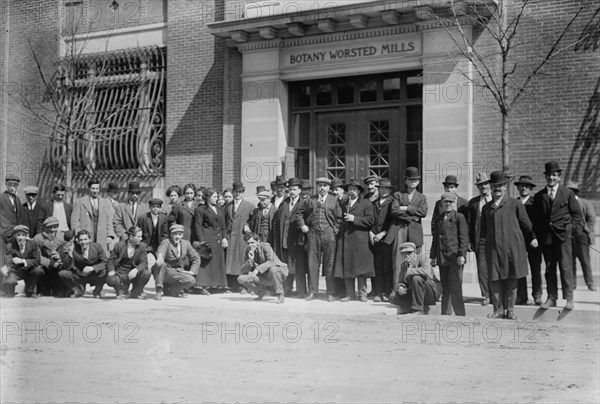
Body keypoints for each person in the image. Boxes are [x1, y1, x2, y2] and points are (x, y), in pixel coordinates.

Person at [479, 171, 537, 320]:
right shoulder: (486, 208)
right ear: (491, 188)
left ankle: (510, 310)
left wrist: (529, 239)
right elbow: (483, 233)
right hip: (493, 250)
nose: (497, 188)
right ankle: (498, 310)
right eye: (494, 186)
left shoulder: (515, 204)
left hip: (512, 249)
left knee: (512, 278)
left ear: (505, 186)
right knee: (495, 279)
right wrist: (484, 249)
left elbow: (527, 225)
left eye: (500, 185)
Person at [532, 161, 583, 310]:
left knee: (566, 267)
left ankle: (569, 299)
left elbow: (578, 215)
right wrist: (536, 236)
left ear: (559, 177)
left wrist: (571, 231)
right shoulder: (539, 196)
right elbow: (535, 220)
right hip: (547, 239)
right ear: (545, 177)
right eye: (548, 175)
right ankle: (551, 298)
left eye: (554, 175)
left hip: (563, 238)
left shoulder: (567, 193)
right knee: (549, 268)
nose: (551, 178)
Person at [297, 177, 342, 302]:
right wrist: (303, 225)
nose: (322, 188)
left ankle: (331, 292)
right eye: (320, 185)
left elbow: (339, 218)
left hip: (329, 234)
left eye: (325, 185)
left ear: (329, 188)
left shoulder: (334, 200)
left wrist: (335, 230)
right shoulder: (311, 199)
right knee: (313, 263)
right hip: (313, 234)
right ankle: (313, 291)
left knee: (330, 264)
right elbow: (299, 213)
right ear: (317, 187)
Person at [335, 179, 375, 302]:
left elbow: (370, 221)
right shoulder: (343, 203)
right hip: (345, 239)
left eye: (354, 189)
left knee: (360, 267)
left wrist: (355, 219)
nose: (351, 191)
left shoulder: (366, 203)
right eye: (350, 189)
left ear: (359, 191)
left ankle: (362, 294)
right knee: (347, 266)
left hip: (359, 239)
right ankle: (350, 294)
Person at [430, 192, 469, 316]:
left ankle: (460, 314)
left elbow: (464, 238)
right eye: (445, 202)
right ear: (441, 203)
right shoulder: (438, 219)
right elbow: (435, 239)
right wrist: (433, 256)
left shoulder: (459, 217)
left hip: (455, 257)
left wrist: (462, 255)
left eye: (450, 202)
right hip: (442, 257)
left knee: (455, 286)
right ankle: (445, 313)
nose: (448, 204)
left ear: (454, 203)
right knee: (445, 286)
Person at [275, 178, 308, 298]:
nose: (292, 192)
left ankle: (301, 291)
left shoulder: (304, 202)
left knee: (299, 266)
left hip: (298, 240)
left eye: (294, 189)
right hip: (285, 239)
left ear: (299, 190)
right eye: (290, 189)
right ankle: (287, 289)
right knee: (285, 265)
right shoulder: (284, 203)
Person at [192, 188, 228, 294]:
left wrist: (225, 237)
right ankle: (203, 285)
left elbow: (223, 225)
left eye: (217, 197)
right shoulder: (201, 209)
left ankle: (217, 284)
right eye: (215, 197)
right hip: (207, 237)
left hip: (218, 238)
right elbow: (197, 226)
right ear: (208, 198)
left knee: (217, 262)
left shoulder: (220, 209)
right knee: (207, 262)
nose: (217, 199)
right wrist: (202, 242)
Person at [514, 175, 543, 305]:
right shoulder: (514, 203)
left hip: (533, 240)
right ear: (518, 187)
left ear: (531, 188)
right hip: (519, 241)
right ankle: (521, 296)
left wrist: (534, 237)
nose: (524, 188)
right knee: (520, 268)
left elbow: (538, 223)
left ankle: (537, 295)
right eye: (521, 186)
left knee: (535, 268)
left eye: (526, 186)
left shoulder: (536, 203)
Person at [237, 232, 288, 304]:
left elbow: (271, 260)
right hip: (264, 277)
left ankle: (280, 294)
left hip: (278, 274)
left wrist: (257, 269)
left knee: (274, 269)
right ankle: (261, 291)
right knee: (241, 278)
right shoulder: (248, 251)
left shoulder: (265, 245)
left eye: (252, 242)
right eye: (248, 243)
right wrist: (250, 260)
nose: (250, 245)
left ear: (258, 241)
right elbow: (243, 270)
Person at [153, 224, 200, 300]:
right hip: (166, 271)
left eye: (180, 234)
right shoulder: (166, 242)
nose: (177, 236)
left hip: (178, 272)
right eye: (175, 234)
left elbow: (196, 257)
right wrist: (160, 257)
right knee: (161, 264)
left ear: (183, 235)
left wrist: (192, 271)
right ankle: (159, 289)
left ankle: (172, 290)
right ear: (171, 234)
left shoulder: (186, 243)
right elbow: (161, 251)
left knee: (191, 280)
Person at [466, 172, 493, 306]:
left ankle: (496, 295)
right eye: (481, 184)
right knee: (482, 269)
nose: (483, 186)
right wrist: (470, 241)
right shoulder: (474, 203)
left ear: (490, 184)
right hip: (480, 240)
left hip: (495, 240)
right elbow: (470, 224)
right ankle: (486, 295)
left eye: (486, 183)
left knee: (495, 268)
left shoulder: (497, 199)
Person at [71, 178, 116, 256]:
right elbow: (75, 221)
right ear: (89, 189)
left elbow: (109, 220)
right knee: (86, 256)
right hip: (85, 236)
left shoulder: (105, 202)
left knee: (102, 256)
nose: (95, 191)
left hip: (101, 235)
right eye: (93, 188)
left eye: (97, 188)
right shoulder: (80, 202)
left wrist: (109, 235)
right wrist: (77, 235)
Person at [389, 242, 437, 315]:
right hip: (414, 293)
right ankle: (418, 307)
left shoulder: (422, 258)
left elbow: (426, 271)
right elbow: (401, 281)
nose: (407, 255)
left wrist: (410, 271)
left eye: (409, 252)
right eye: (404, 253)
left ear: (414, 252)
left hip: (428, 292)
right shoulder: (403, 265)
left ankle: (418, 310)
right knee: (392, 296)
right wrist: (401, 286)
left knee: (416, 278)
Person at [58, 229, 108, 298]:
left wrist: (93, 268)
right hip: (80, 275)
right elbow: (67, 266)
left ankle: (97, 290)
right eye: (81, 240)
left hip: (93, 274)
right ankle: (77, 290)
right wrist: (70, 254)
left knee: (104, 271)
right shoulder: (74, 248)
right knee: (63, 273)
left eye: (85, 239)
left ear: (89, 240)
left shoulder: (97, 247)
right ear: (77, 241)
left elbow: (105, 262)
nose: (83, 242)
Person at [566, 181, 597, 291]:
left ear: (575, 192)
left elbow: (592, 218)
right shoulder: (565, 203)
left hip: (582, 235)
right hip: (569, 235)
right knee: (570, 261)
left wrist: (586, 229)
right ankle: (572, 284)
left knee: (584, 260)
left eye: (570, 191)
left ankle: (590, 283)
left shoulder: (584, 202)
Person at [224, 181, 254, 293]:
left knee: (242, 261)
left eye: (240, 191)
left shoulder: (250, 206)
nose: (237, 194)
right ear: (233, 192)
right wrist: (225, 237)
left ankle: (245, 286)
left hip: (242, 237)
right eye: (236, 191)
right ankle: (233, 286)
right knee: (231, 262)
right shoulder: (228, 206)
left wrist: (247, 227)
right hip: (231, 237)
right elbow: (226, 223)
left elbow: (252, 222)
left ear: (243, 192)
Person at [369, 178, 396, 302]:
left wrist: (383, 233)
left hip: (387, 239)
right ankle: (378, 292)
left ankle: (387, 291)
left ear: (389, 190)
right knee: (377, 266)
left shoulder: (392, 202)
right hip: (374, 239)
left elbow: (393, 221)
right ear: (378, 189)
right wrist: (371, 232)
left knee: (387, 266)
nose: (384, 190)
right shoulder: (373, 203)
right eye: (381, 188)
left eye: (386, 188)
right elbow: (369, 220)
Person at [106, 226, 150, 299]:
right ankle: (120, 289)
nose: (141, 239)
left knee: (146, 273)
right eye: (138, 237)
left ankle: (135, 292)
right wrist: (111, 270)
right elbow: (111, 260)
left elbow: (144, 262)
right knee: (111, 279)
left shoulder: (142, 246)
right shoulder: (119, 245)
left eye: (141, 236)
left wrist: (136, 270)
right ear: (131, 237)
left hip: (134, 273)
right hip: (121, 272)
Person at [0, 225, 43, 298]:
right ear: (14, 235)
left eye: (23, 235)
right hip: (16, 271)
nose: (21, 238)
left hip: (29, 270)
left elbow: (37, 260)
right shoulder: (10, 246)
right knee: (10, 282)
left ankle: (29, 291)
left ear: (27, 236)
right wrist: (6, 269)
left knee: (39, 271)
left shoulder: (33, 244)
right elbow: (8, 261)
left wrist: (22, 261)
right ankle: (10, 291)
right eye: (18, 235)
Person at [33, 216, 67, 297]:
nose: (52, 230)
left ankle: (60, 289)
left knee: (62, 270)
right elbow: (36, 256)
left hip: (58, 265)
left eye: (55, 227)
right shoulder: (38, 238)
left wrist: (59, 258)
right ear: (44, 228)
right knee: (39, 270)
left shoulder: (62, 237)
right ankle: (42, 290)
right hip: (45, 266)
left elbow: (66, 254)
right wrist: (50, 263)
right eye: (49, 227)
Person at [137, 198, 169, 262]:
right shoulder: (142, 218)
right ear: (149, 207)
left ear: (160, 208)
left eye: (157, 207)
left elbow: (164, 234)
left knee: (159, 262)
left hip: (158, 245)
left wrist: (162, 247)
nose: (155, 208)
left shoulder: (164, 218)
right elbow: (139, 234)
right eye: (153, 207)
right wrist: (142, 246)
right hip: (146, 244)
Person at [0, 174, 22, 269]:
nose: (12, 188)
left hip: (14, 236)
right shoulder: (1, 198)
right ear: (6, 185)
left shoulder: (18, 200)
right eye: (10, 185)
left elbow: (19, 218)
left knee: (12, 261)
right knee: (2, 261)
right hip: (2, 235)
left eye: (14, 185)